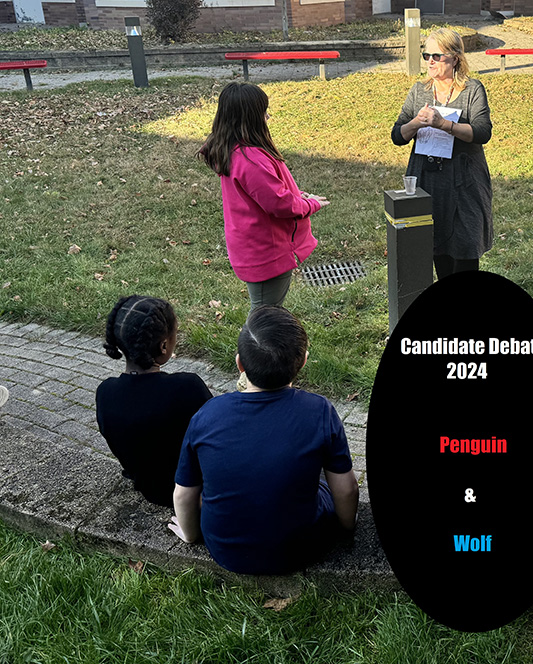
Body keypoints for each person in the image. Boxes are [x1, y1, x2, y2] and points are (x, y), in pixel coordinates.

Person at [170, 306, 359, 575]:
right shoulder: (320, 411)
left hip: (225, 551)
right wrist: (347, 529)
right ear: (303, 361)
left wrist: (190, 536)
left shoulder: (206, 415)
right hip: (304, 548)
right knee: (318, 480)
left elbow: (184, 493)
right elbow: (347, 489)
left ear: (239, 364)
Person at [199, 81, 329, 312]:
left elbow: (267, 194)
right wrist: (310, 204)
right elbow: (280, 204)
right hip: (266, 251)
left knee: (265, 311)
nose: (267, 116)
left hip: (255, 247)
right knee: (264, 314)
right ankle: (254, 349)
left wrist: (298, 195)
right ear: (250, 118)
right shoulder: (250, 159)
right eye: (263, 111)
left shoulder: (234, 150)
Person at [391, 28, 493, 280]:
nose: (431, 61)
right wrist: (415, 123)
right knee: (437, 247)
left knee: (466, 248)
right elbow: (397, 135)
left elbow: (482, 132)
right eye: (427, 55)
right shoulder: (419, 91)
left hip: (464, 183)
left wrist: (444, 124)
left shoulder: (472, 90)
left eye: (437, 55)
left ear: (455, 58)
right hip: (428, 181)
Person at [96, 295, 212, 507]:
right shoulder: (187, 388)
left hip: (151, 491)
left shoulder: (105, 393)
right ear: (164, 346)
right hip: (195, 493)